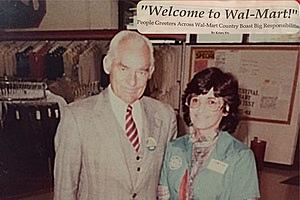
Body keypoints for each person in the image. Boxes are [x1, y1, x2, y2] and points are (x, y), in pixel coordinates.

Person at [53, 30, 177, 200]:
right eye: (124, 68)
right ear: (107, 64)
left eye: (141, 71)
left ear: (151, 72)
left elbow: (166, 185)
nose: (132, 81)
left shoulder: (165, 116)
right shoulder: (77, 118)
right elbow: (64, 191)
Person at [158, 67, 260, 200]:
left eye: (211, 102)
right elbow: (164, 195)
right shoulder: (174, 147)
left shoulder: (240, 156)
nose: (201, 109)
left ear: (226, 109)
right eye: (196, 100)